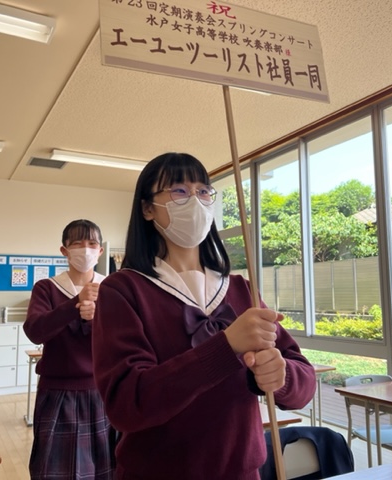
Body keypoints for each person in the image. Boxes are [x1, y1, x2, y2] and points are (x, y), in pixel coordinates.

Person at [92, 152, 316, 480]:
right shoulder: (123, 290)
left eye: (203, 191)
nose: (195, 201)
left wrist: (281, 378)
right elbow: (127, 405)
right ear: (147, 208)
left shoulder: (241, 289)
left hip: (242, 472)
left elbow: (304, 381)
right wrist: (225, 347)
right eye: (179, 191)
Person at [24, 219, 115, 480]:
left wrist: (96, 320)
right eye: (77, 243)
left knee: (105, 469)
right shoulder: (47, 288)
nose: (85, 249)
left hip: (101, 392)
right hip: (58, 393)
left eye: (92, 243)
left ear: (100, 251)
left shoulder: (110, 288)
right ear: (64, 250)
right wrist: (76, 304)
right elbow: (35, 331)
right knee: (54, 471)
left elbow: (122, 339)